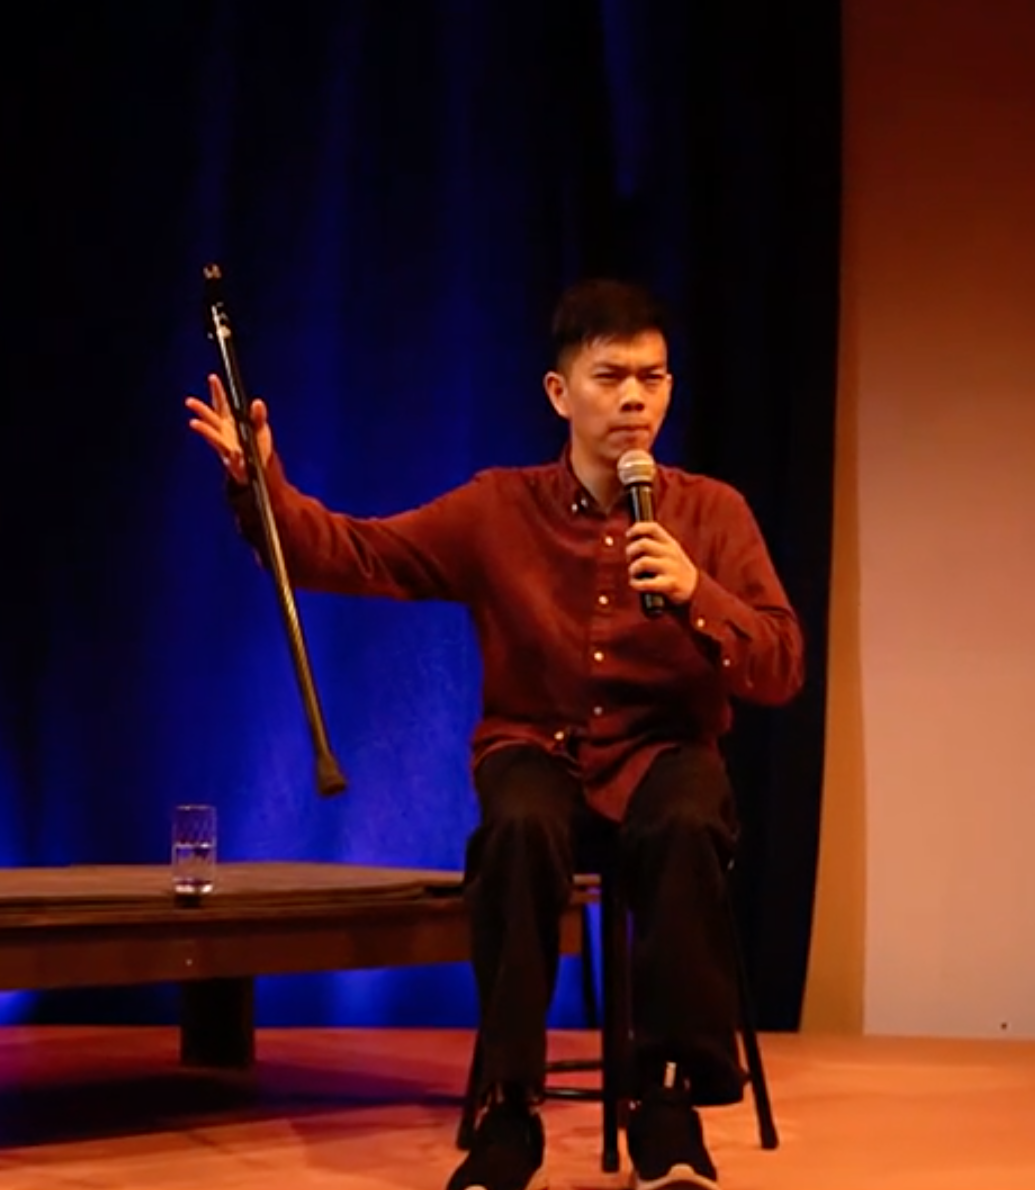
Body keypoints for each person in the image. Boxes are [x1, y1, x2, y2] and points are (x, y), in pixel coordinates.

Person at [184, 279, 804, 1190]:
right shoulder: (498, 509)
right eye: (611, 377)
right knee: (515, 828)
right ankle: (509, 1113)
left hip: (666, 752)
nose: (636, 400)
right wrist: (261, 484)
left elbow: (782, 664)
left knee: (685, 819)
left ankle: (666, 1110)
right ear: (561, 393)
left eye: (655, 378)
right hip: (539, 749)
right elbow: (355, 552)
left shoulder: (712, 514)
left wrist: (697, 595)